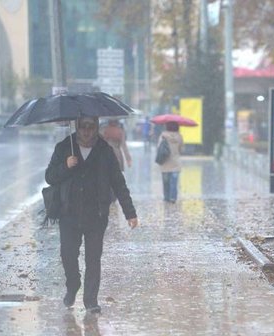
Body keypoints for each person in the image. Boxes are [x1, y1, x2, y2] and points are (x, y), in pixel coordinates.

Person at [45, 116, 138, 314]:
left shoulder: (105, 150)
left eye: (91, 126)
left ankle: (91, 300)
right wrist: (66, 166)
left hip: (96, 215)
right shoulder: (64, 147)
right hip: (68, 214)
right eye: (83, 126)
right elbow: (50, 176)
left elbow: (118, 183)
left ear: (96, 127)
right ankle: (73, 285)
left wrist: (130, 212)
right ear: (77, 126)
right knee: (68, 255)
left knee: (93, 258)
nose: (87, 131)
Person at [158, 121, 184, 203]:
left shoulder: (163, 136)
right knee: (174, 182)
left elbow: (159, 147)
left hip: (165, 162)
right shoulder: (179, 136)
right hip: (176, 162)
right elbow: (181, 149)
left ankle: (166, 197)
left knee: (166, 182)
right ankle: (173, 197)